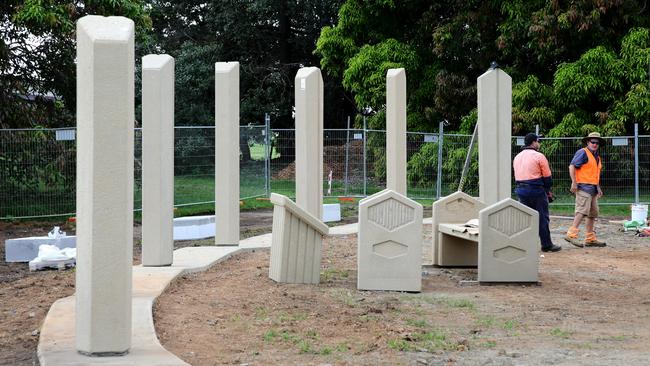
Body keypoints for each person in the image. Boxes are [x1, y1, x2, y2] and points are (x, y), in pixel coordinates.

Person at [513, 133, 561, 252]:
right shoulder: (539, 156)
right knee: (542, 217)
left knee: (525, 217)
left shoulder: (517, 157)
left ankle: (523, 245)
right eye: (538, 141)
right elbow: (547, 177)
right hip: (535, 189)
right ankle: (546, 244)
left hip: (520, 188)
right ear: (534, 142)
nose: (538, 143)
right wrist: (547, 190)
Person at [565, 132, 606, 247]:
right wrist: (574, 182)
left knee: (593, 213)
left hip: (592, 189)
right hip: (583, 187)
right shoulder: (582, 152)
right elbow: (572, 166)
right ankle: (571, 234)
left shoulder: (596, 156)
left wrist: (598, 187)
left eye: (597, 143)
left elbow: (595, 173)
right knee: (582, 211)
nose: (595, 144)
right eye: (593, 142)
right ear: (588, 142)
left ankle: (590, 238)